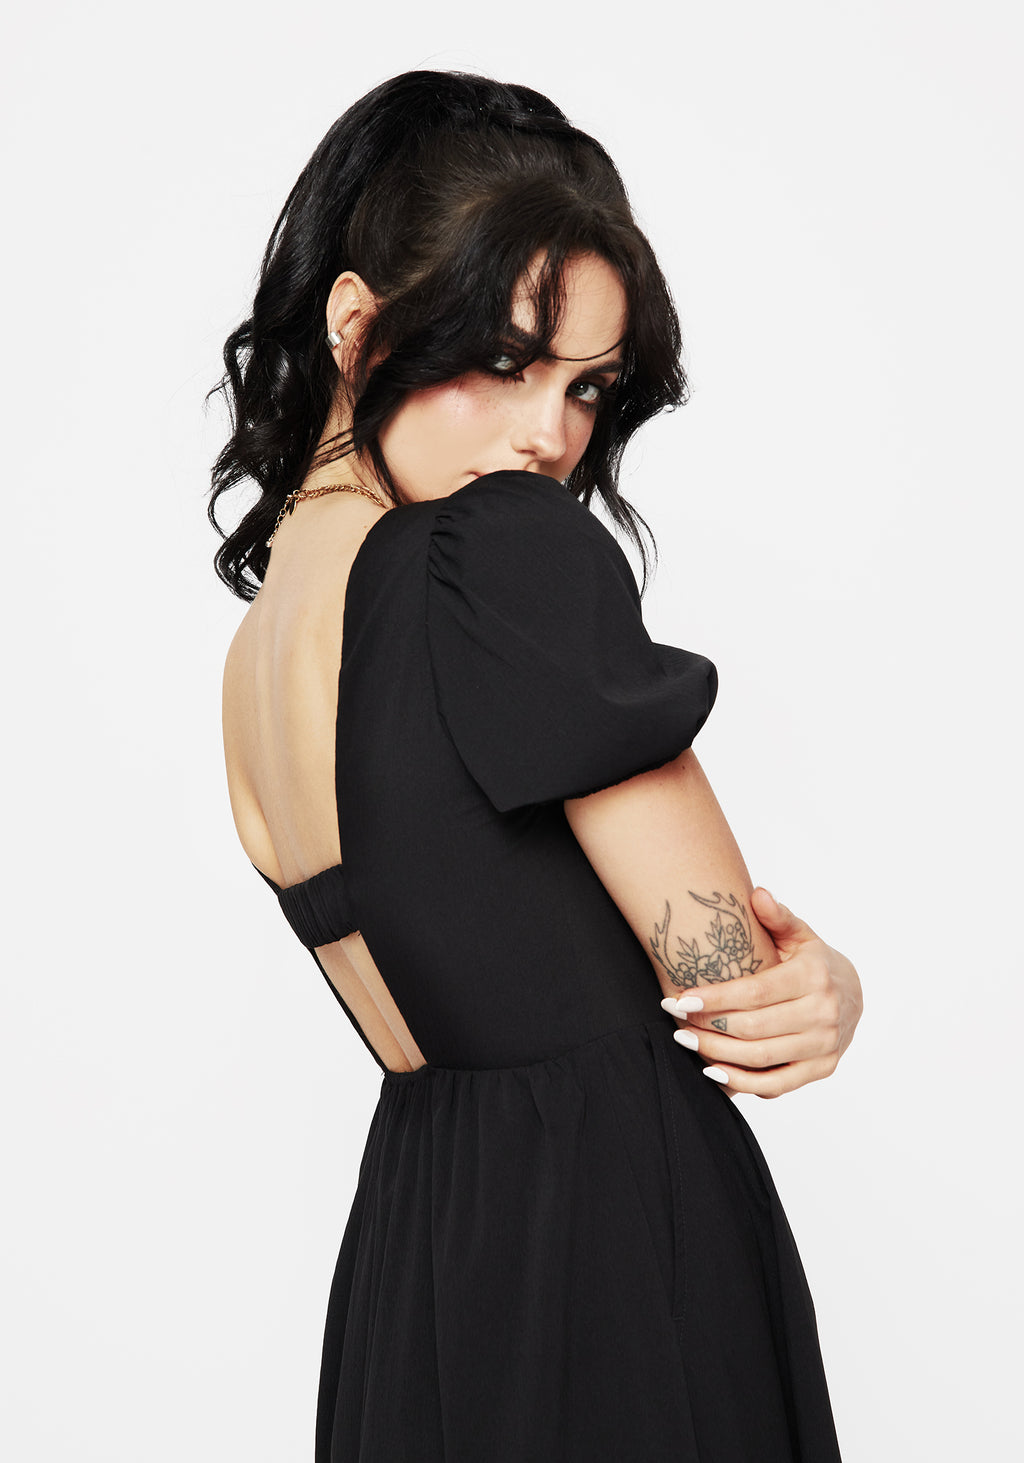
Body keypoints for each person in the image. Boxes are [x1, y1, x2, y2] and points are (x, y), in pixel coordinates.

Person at [209, 70, 861, 1462]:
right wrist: (825, 988)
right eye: (503, 364)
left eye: (587, 388)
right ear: (358, 326)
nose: (550, 437)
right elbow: (728, 980)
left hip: (422, 1251)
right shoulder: (496, 550)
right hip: (612, 1241)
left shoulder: (263, 647)